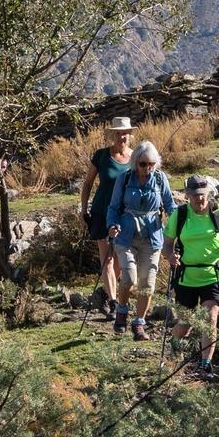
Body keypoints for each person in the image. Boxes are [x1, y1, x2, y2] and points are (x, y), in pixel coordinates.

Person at [164, 175, 219, 377]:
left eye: (204, 195)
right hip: (186, 276)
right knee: (187, 324)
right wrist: (170, 256)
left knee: (210, 317)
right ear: (187, 195)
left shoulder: (218, 212)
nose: (200, 199)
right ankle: (175, 339)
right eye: (196, 195)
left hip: (213, 276)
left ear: (209, 194)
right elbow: (167, 243)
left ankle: (206, 364)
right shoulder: (179, 215)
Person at [104, 140, 174, 341]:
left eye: (151, 164)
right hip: (126, 236)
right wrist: (112, 224)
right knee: (129, 277)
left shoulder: (160, 179)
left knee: (148, 283)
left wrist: (181, 224)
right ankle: (122, 310)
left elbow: (170, 205)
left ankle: (139, 324)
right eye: (143, 164)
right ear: (135, 162)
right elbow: (113, 206)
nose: (147, 168)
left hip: (152, 237)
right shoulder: (125, 179)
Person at [78, 117, 135, 317]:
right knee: (108, 258)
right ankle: (112, 302)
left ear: (130, 134)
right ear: (112, 135)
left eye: (125, 132)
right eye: (118, 133)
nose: (122, 136)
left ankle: (105, 292)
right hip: (102, 211)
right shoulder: (101, 156)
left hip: (125, 214)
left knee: (120, 257)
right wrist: (84, 209)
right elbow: (87, 184)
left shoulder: (136, 158)